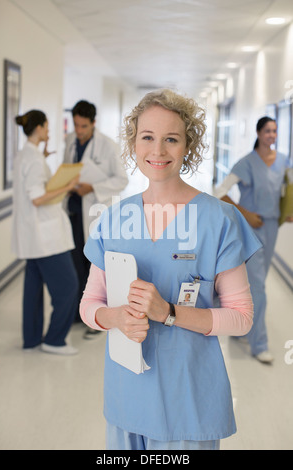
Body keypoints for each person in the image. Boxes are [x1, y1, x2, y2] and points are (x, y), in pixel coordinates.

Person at [80, 89, 261, 450]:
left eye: (171, 139)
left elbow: (242, 318)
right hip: (127, 395)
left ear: (188, 146)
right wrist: (113, 317)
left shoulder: (219, 220)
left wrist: (171, 313)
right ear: (134, 143)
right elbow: (89, 304)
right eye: (147, 137)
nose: (158, 151)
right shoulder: (113, 219)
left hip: (190, 398)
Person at [215, 116, 293, 364]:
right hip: (251, 228)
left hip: (272, 226)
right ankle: (260, 345)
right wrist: (245, 214)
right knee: (258, 286)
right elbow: (220, 192)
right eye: (268, 131)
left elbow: (286, 190)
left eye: (275, 131)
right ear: (258, 133)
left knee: (255, 281)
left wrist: (287, 211)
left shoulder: (283, 161)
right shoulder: (247, 163)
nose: (272, 135)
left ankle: (243, 326)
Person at [12, 110, 79, 355]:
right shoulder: (33, 160)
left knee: (33, 290)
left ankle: (31, 340)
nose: (49, 131)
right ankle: (55, 339)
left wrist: (44, 155)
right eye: (47, 127)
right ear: (39, 128)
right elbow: (38, 198)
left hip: (33, 236)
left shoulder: (25, 155)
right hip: (46, 238)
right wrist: (68, 185)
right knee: (69, 287)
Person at [63, 100, 128, 333]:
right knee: (76, 264)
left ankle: (97, 319)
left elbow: (122, 180)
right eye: (76, 126)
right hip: (73, 210)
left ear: (93, 123)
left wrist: (92, 188)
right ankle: (80, 313)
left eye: (83, 127)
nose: (78, 131)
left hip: (94, 212)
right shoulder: (70, 141)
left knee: (94, 265)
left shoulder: (108, 146)